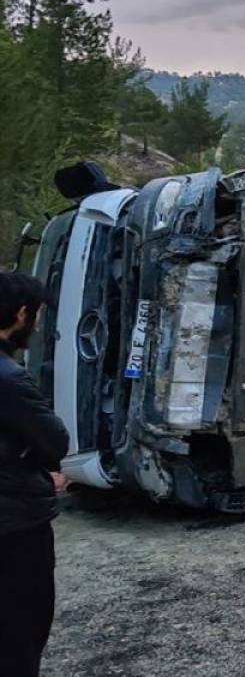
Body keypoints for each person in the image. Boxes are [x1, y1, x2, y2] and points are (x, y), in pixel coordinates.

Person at [0, 272, 69, 677]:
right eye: (39, 313)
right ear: (23, 314)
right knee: (21, 627)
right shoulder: (9, 378)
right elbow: (55, 440)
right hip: (14, 526)